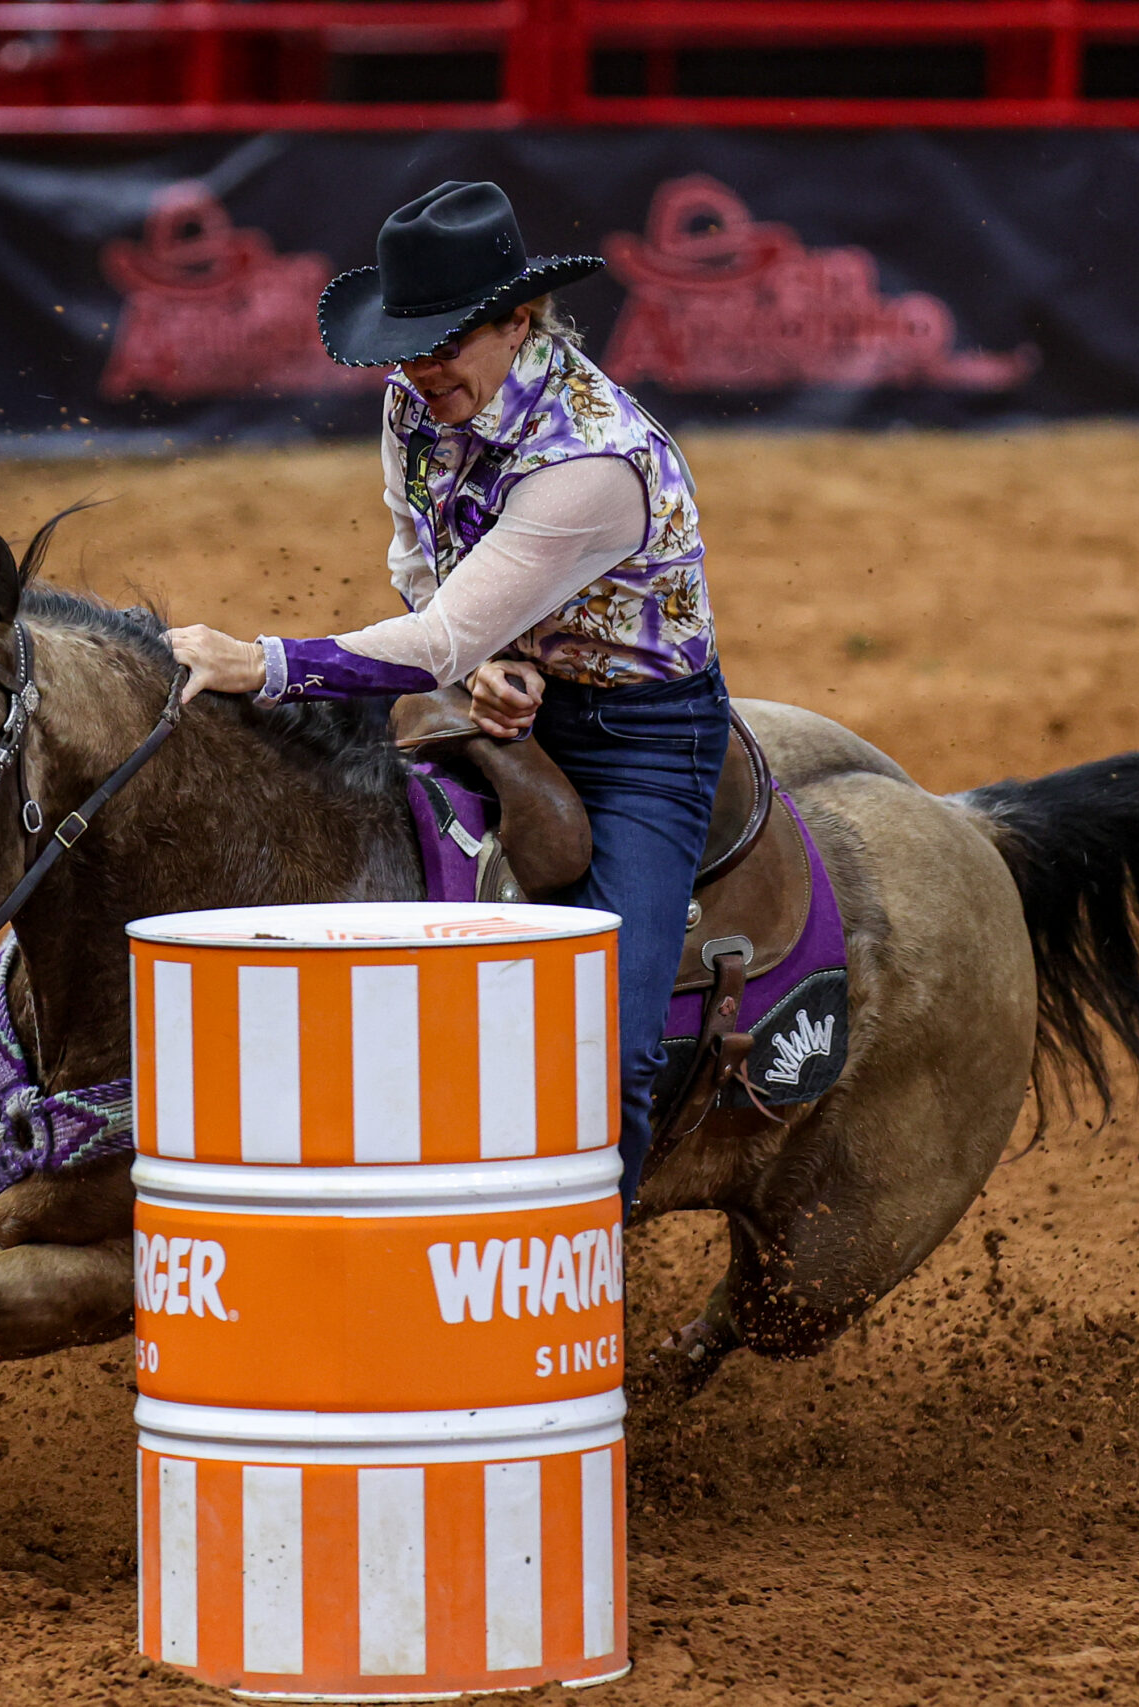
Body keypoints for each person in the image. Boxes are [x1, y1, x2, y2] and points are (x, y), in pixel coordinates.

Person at [168, 180, 729, 1211]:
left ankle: (587, 1265)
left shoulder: (593, 461)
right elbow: (419, 557)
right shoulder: (416, 402)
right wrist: (488, 665)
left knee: (611, 1047)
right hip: (504, 679)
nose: (419, 370)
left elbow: (429, 636)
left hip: (644, 740)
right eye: (405, 345)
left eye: (443, 344)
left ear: (517, 322)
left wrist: (265, 663)